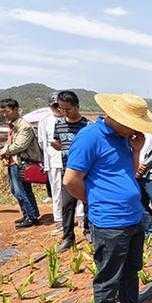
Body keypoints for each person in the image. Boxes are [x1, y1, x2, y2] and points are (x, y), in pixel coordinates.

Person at [64, 93, 152, 303]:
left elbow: (128, 173)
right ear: (117, 118)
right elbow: (71, 180)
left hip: (132, 216)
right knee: (108, 276)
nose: (137, 128)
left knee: (130, 270)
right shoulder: (89, 138)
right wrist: (94, 201)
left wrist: (137, 150)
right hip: (108, 221)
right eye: (133, 122)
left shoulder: (123, 139)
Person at [53, 91, 90, 252]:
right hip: (67, 170)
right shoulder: (59, 124)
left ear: (77, 107)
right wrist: (56, 145)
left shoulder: (88, 126)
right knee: (67, 205)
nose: (65, 112)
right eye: (62, 109)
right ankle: (68, 237)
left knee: (89, 202)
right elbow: (57, 141)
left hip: (86, 172)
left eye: (68, 109)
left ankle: (88, 231)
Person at [0, 98, 41, 227]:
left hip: (21, 162)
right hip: (15, 162)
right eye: (2, 112)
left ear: (16, 109)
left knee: (21, 190)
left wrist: (3, 151)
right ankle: (28, 214)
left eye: (6, 111)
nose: (4, 114)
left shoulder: (24, 126)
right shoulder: (14, 125)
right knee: (17, 190)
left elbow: (19, 146)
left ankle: (32, 217)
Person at [37, 93, 65, 234]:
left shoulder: (69, 119)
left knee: (74, 190)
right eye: (55, 106)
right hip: (54, 161)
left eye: (60, 106)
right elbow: (42, 142)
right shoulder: (45, 121)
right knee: (57, 191)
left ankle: (79, 217)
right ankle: (59, 220)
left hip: (70, 162)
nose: (58, 109)